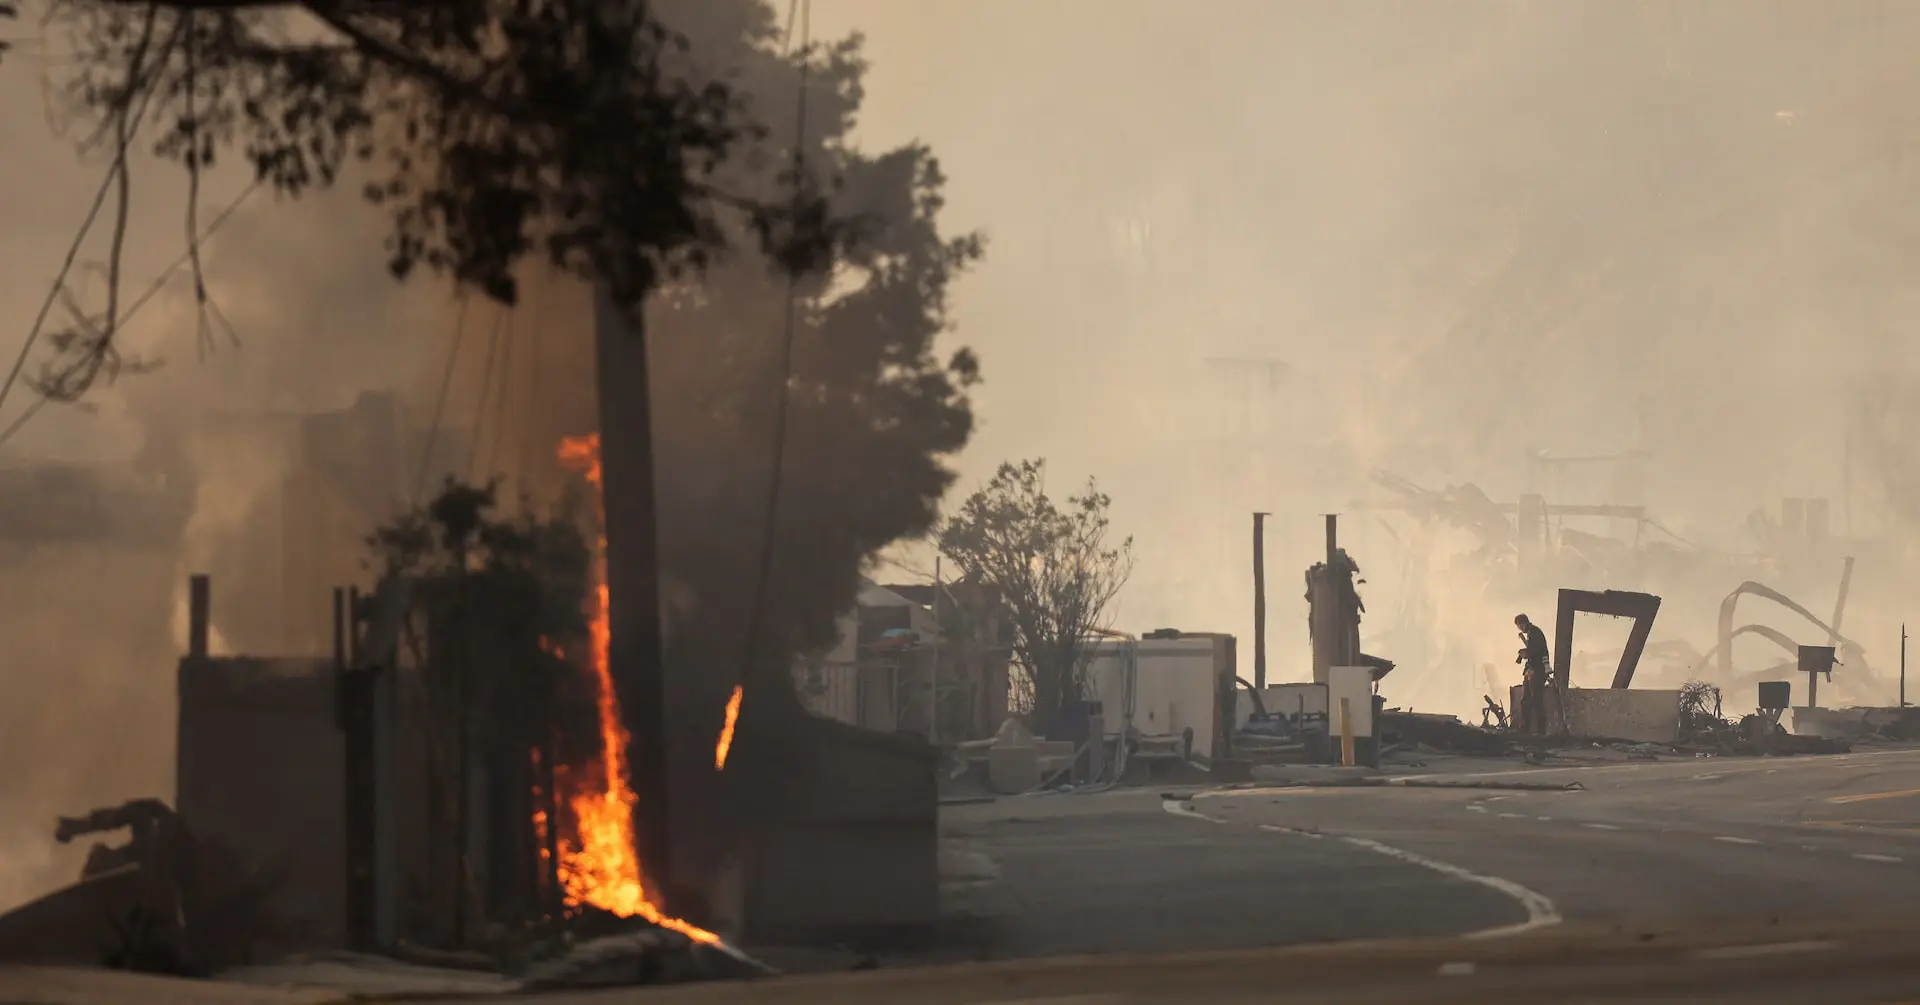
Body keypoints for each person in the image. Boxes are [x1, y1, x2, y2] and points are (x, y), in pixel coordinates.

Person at [1514, 613, 1551, 735]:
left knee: (1536, 700)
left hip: (1537, 671)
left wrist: (1526, 653)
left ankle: (1540, 731)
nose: (1519, 629)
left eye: (1519, 626)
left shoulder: (1535, 633)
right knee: (1526, 700)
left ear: (1522, 623)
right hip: (1531, 670)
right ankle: (1526, 729)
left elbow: (1539, 652)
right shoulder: (1533, 633)